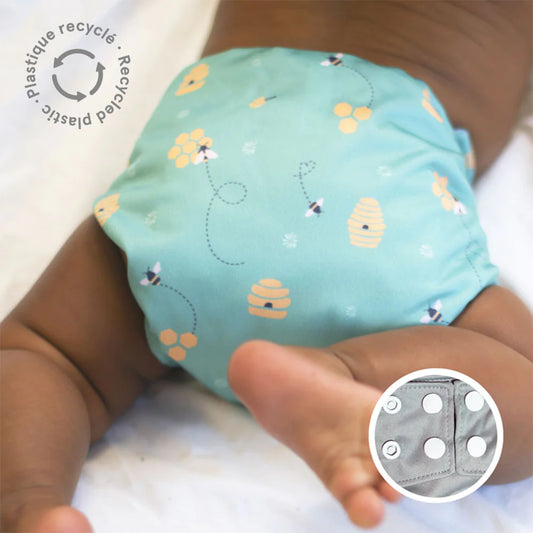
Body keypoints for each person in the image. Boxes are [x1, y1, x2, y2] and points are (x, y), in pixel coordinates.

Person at [1, 1, 532, 531]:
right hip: (380, 187)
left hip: (207, 157)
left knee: (49, 355)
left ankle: (29, 503)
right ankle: (347, 376)